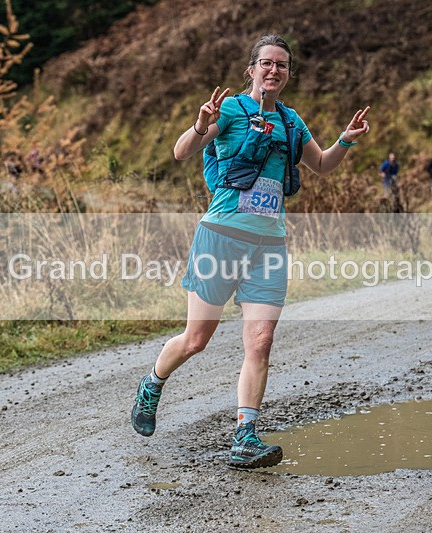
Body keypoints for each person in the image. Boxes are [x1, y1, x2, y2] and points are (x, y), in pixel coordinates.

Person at [130, 34, 370, 469]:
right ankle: (152, 383)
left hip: (269, 243)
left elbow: (320, 164)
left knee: (260, 341)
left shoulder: (292, 121)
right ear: (252, 69)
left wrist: (346, 141)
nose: (273, 70)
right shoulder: (231, 109)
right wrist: (202, 124)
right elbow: (182, 152)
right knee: (196, 339)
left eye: (281, 64)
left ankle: (245, 435)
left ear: (288, 74)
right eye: (266, 63)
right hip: (220, 234)